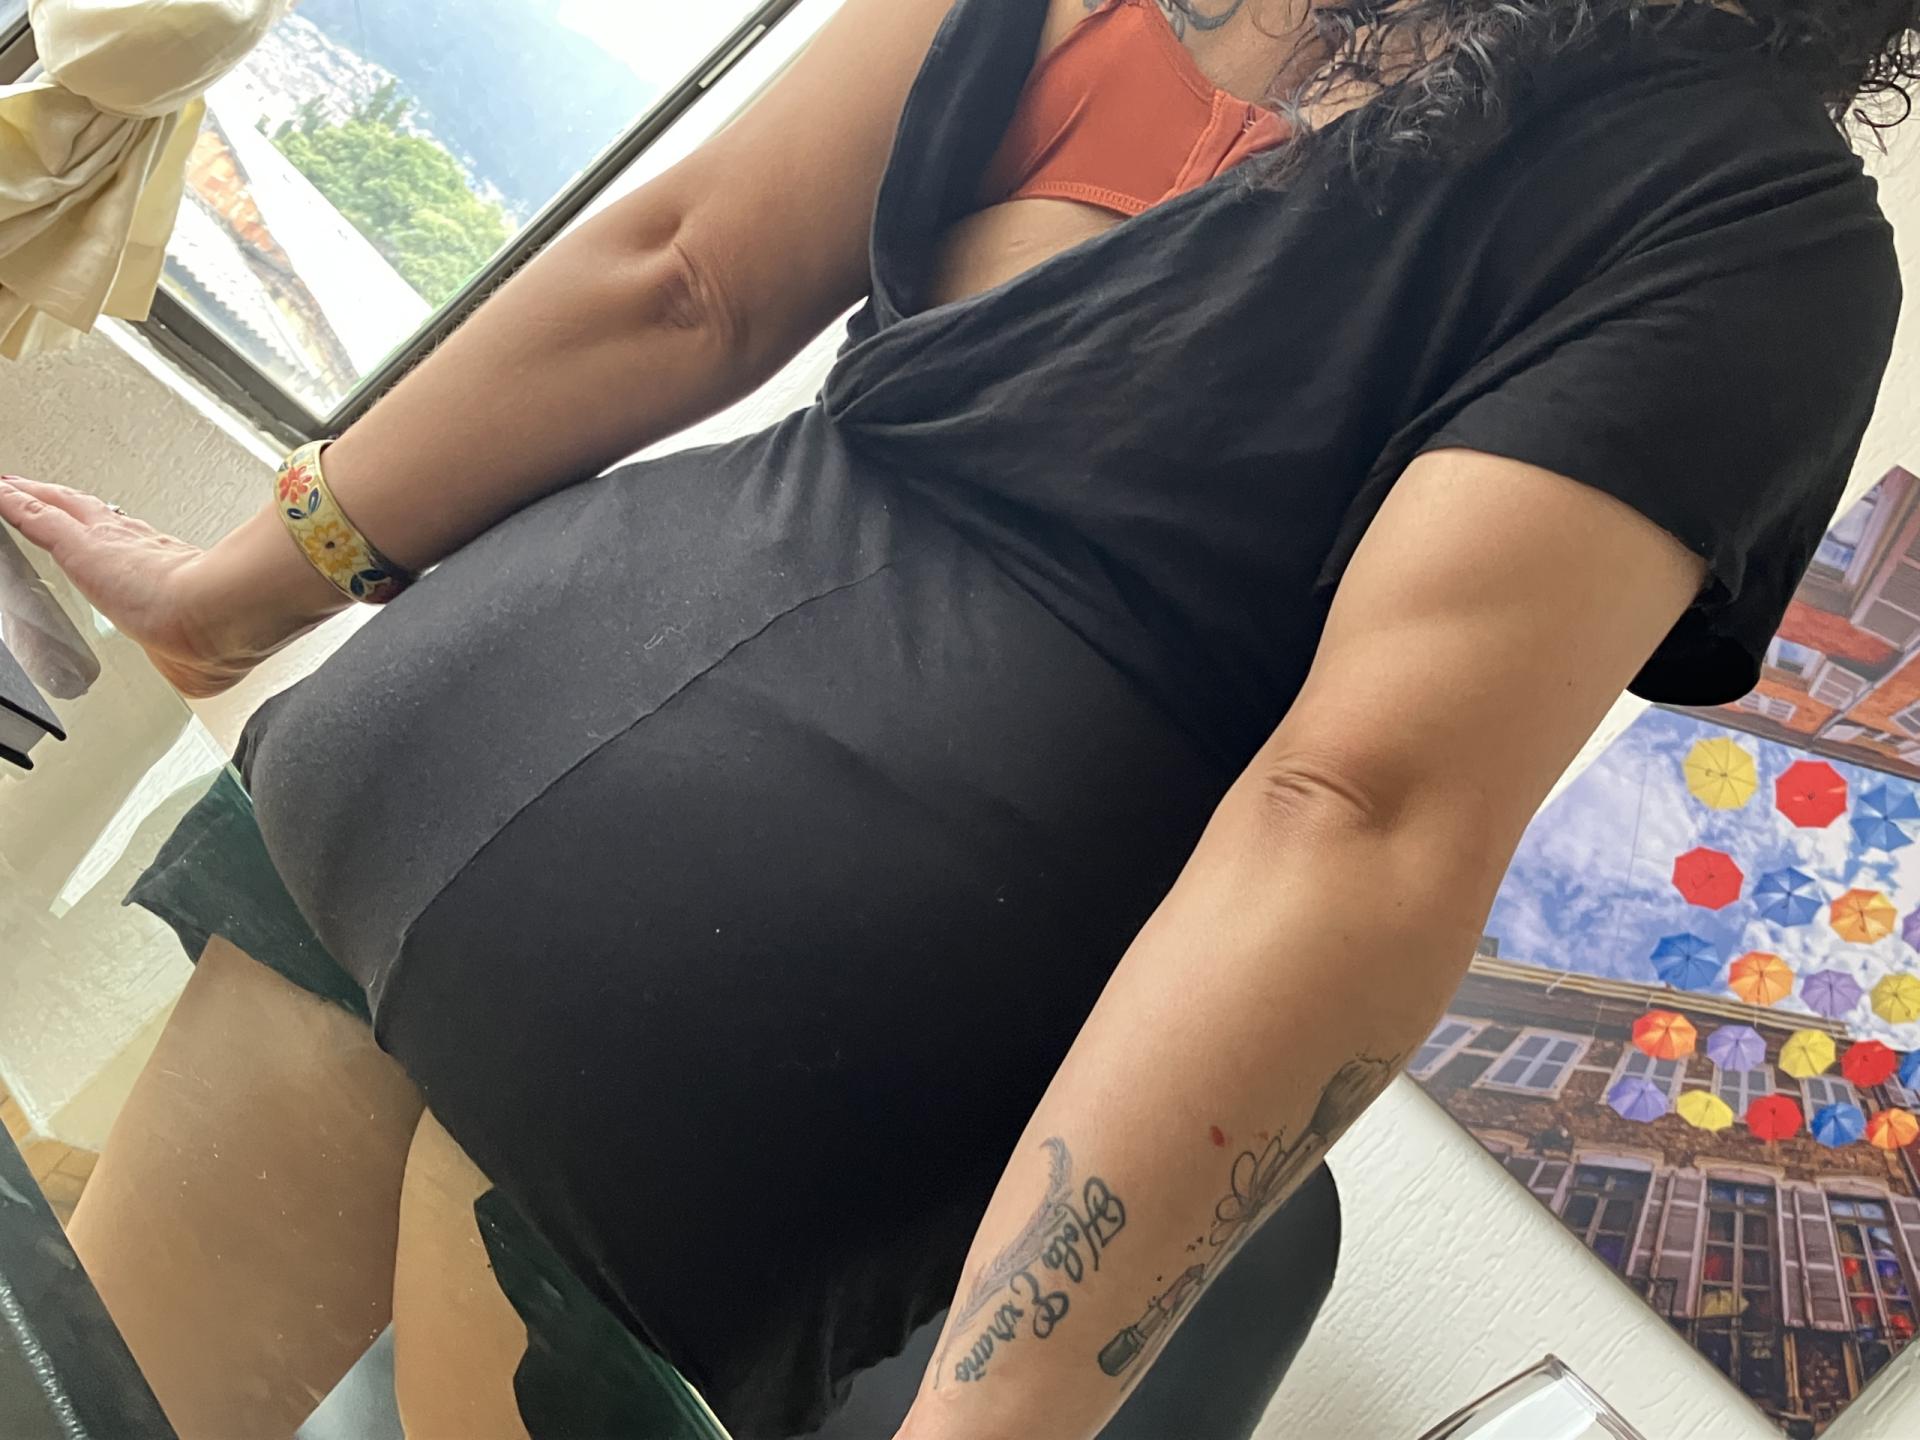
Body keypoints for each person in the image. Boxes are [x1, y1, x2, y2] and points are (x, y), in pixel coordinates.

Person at [1, 0, 1911, 1434]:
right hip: (771, 1019)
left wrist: (237, 594)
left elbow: (680, 277)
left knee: (96, 1398)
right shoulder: (1752, 218)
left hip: (458, 712)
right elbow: (1359, 811)